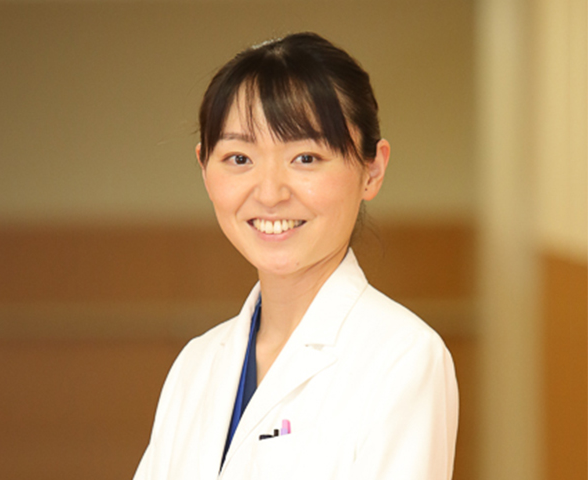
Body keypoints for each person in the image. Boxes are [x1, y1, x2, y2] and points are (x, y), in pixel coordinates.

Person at [134, 32, 458, 480]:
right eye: (239, 158)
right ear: (204, 170)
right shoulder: (197, 364)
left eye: (305, 158)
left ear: (372, 170)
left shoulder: (403, 357)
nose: (270, 193)